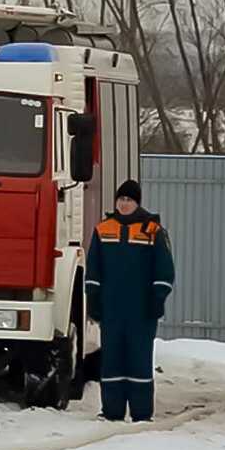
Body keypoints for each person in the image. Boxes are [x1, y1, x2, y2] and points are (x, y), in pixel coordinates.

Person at [85, 179, 175, 422]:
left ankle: (141, 413)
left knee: (139, 360)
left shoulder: (153, 231)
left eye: (129, 200)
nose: (124, 204)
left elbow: (165, 270)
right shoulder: (103, 230)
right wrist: (93, 299)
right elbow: (93, 269)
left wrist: (157, 299)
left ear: (137, 203)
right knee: (112, 360)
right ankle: (112, 411)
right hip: (112, 310)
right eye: (121, 199)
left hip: (141, 311)